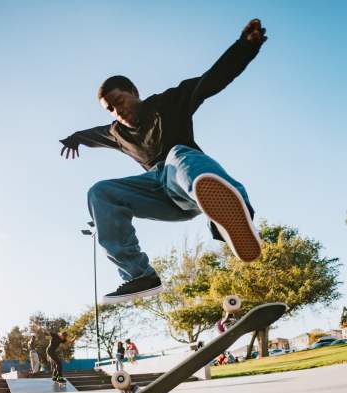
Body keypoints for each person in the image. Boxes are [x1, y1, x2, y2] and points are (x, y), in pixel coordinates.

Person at [60, 19, 267, 304]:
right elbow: (92, 134)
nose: (117, 112)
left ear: (134, 91)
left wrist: (246, 47)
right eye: (110, 109)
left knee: (177, 154)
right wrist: (75, 138)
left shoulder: (170, 102)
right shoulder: (116, 133)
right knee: (100, 192)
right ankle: (139, 275)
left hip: (187, 178)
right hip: (157, 194)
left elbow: (213, 79)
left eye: (119, 101)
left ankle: (229, 220)